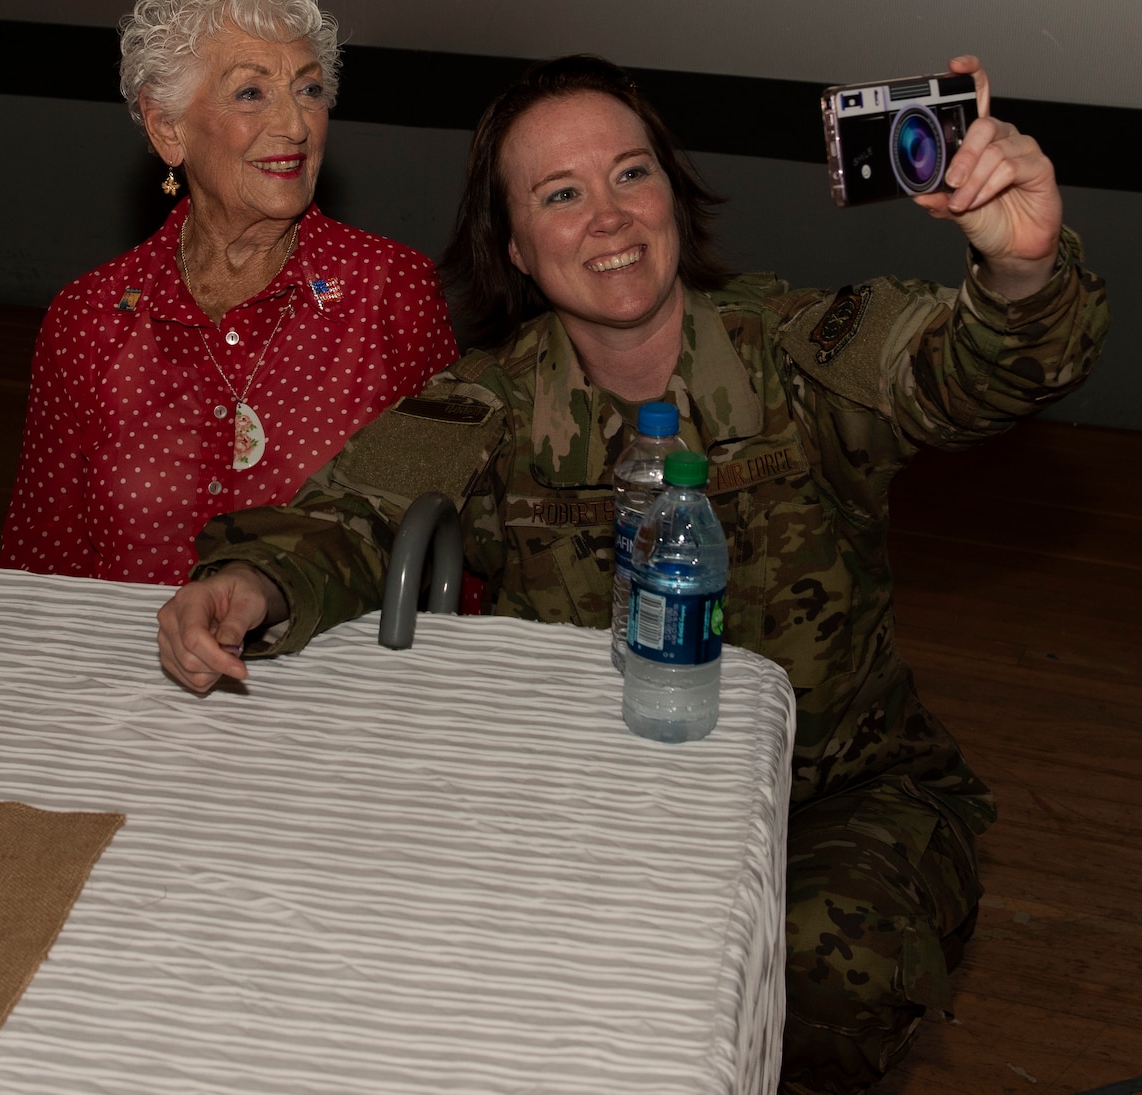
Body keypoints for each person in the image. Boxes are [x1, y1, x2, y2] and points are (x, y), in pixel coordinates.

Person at [155, 54, 1109, 1093]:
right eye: (558, 195)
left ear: (672, 195)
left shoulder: (797, 353)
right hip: (590, 808)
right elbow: (347, 520)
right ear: (514, 248)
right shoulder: (489, 405)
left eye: (629, 176)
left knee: (819, 987)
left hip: (830, 803)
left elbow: (968, 370)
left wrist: (1018, 269)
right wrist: (251, 584)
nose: (605, 217)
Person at [1, 0, 460, 584]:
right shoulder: (91, 319)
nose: (295, 124)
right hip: (124, 669)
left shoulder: (388, 292)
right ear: (168, 130)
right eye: (251, 93)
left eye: (308, 89)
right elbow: (40, 562)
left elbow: (449, 550)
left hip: (332, 669)